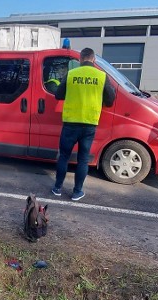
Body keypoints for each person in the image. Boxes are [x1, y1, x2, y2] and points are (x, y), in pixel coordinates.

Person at [51, 48, 116, 201]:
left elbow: (58, 95)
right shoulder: (101, 76)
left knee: (64, 156)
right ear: (93, 60)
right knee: (83, 159)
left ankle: (57, 188)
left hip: (70, 122)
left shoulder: (71, 74)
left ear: (80, 60)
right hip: (89, 124)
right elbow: (110, 99)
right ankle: (77, 192)